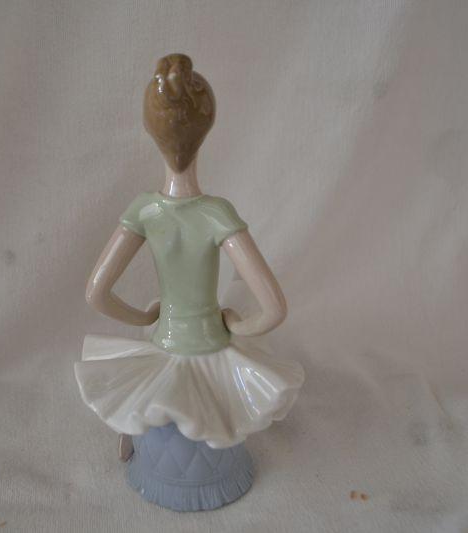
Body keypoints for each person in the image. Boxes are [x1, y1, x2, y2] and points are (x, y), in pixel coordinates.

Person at [75, 53, 305, 511]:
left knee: (152, 410)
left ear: (150, 130)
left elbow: (96, 293)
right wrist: (236, 325)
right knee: (220, 413)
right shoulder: (216, 213)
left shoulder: (145, 210)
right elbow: (275, 309)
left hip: (166, 339)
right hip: (211, 345)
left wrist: (145, 317)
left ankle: (151, 469)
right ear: (207, 128)